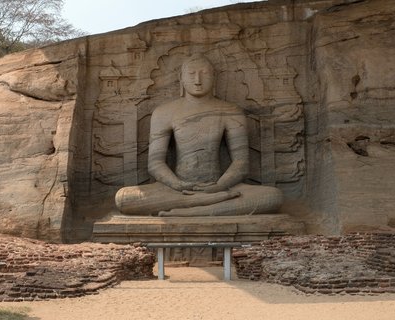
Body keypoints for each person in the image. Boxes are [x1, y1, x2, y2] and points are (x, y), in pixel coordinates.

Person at [115, 54, 282, 216]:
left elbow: (241, 163)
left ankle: (191, 210)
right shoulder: (164, 112)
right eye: (191, 74)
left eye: (204, 73)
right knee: (124, 198)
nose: (198, 80)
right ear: (181, 78)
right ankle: (201, 204)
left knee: (272, 197)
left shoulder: (230, 111)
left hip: (220, 186)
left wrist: (219, 186)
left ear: (214, 77)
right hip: (176, 189)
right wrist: (177, 184)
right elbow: (155, 163)